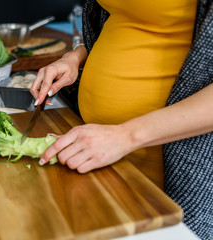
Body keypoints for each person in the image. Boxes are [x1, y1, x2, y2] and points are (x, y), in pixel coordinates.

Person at [30, 0, 213, 239]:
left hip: (169, 164)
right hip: (101, 151)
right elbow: (125, 21)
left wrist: (126, 136)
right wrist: (75, 57)